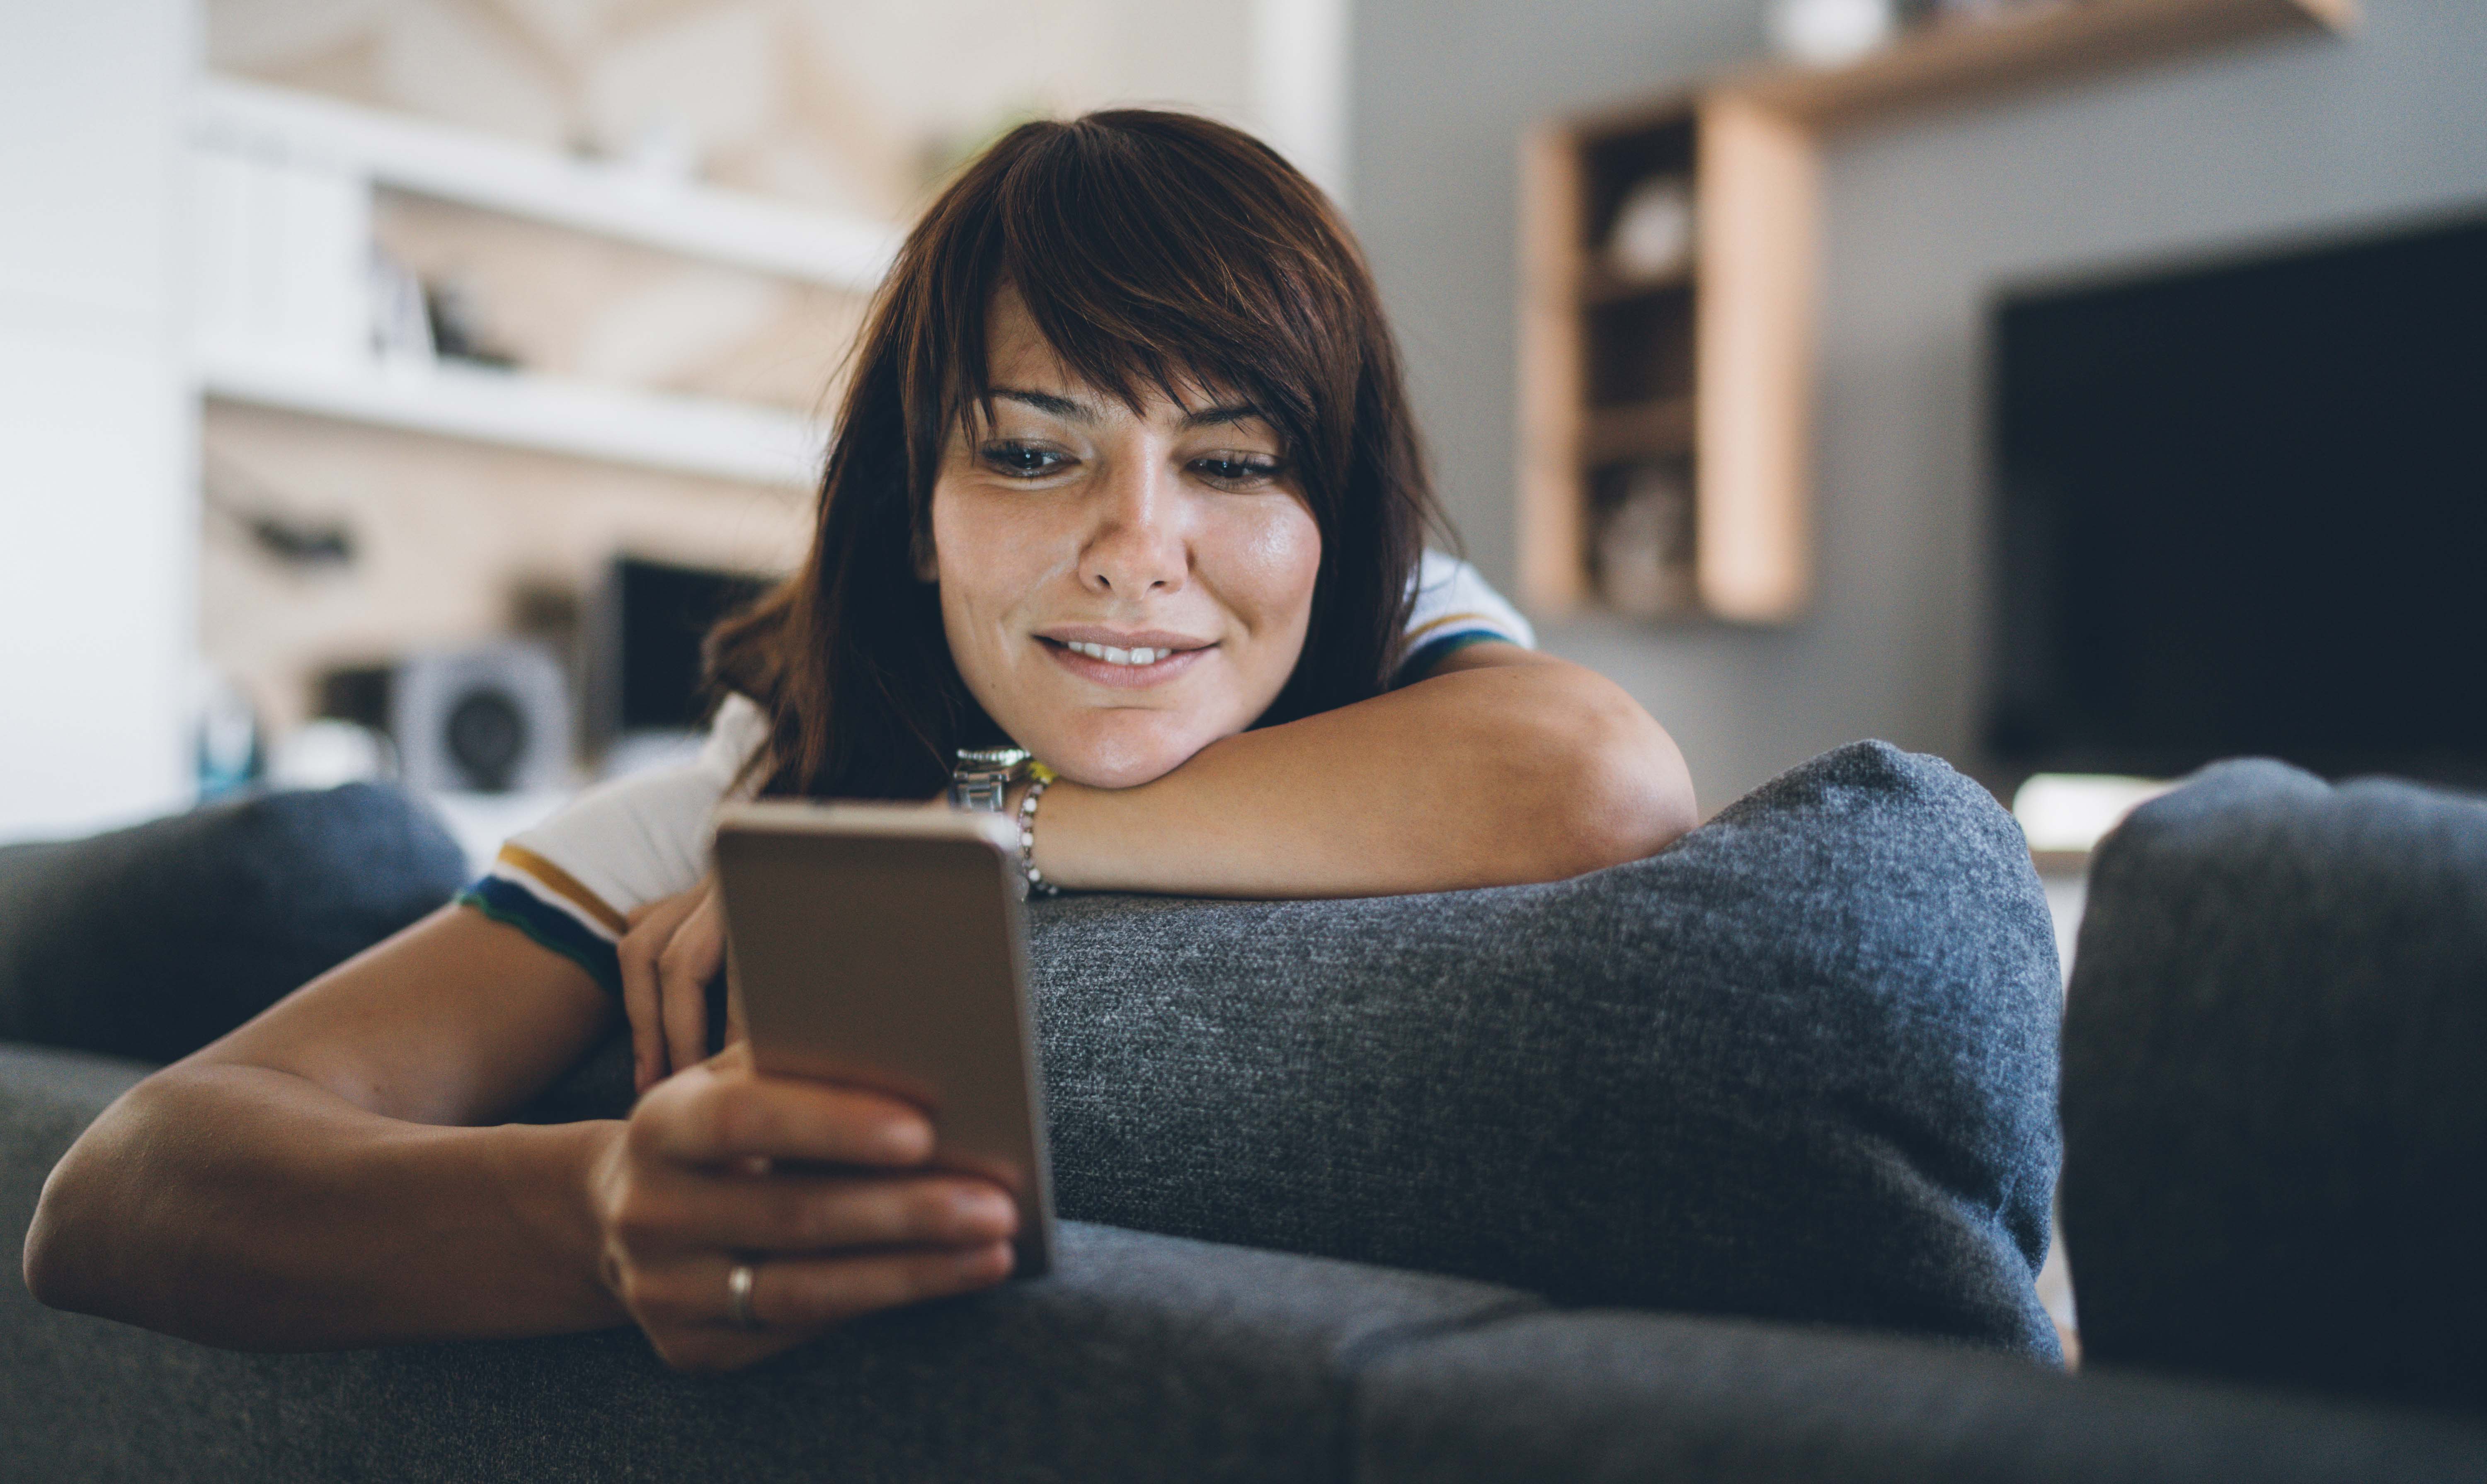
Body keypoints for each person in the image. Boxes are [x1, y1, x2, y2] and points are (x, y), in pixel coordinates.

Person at [25, 110, 1695, 1374]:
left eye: (1238, 464)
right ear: (916, 517)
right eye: (1035, 456)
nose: (1137, 540)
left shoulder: (1400, 628)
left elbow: (1604, 778)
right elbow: (123, 1187)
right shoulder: (750, 798)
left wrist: (971, 829)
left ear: (1335, 525)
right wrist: (601, 1207)